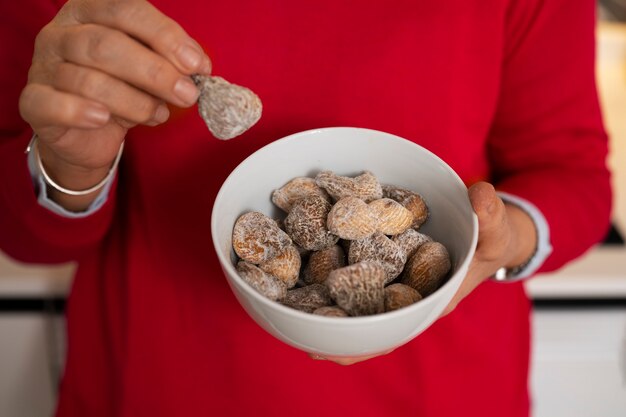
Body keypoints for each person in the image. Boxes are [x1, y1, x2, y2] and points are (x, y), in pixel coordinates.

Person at [0, 0, 611, 416]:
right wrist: (71, 166)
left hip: (439, 388)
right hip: (166, 382)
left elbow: (572, 177)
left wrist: (502, 239)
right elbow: (25, 237)